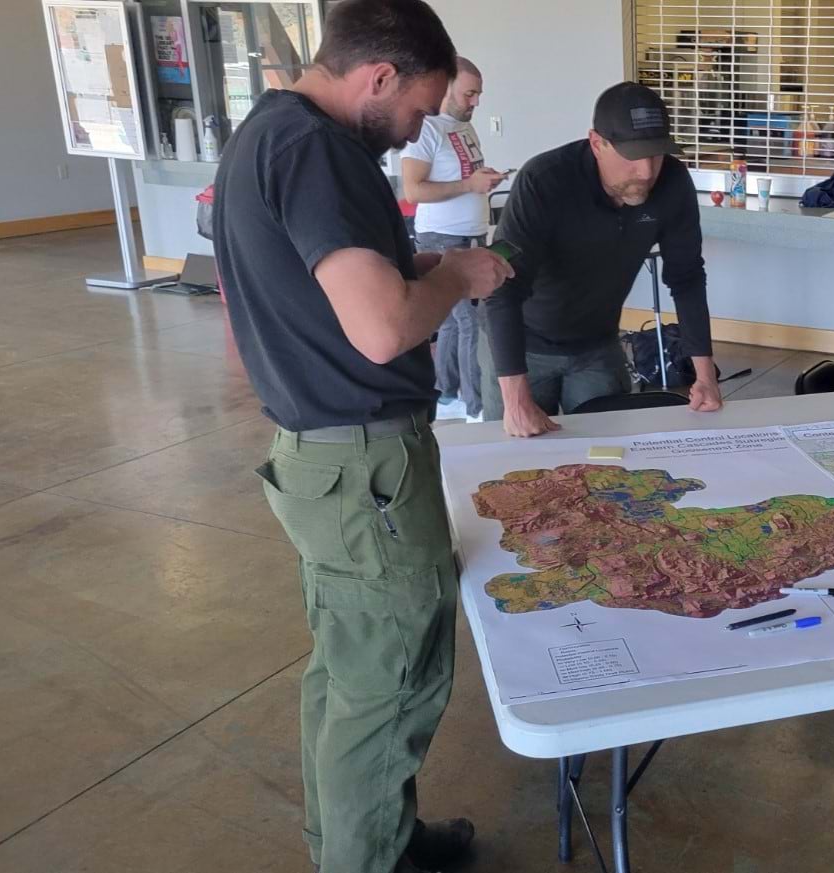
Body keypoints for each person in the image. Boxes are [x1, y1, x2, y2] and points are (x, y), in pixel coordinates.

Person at [211, 1, 512, 870]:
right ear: (378, 77)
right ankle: (362, 856)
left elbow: (327, 290)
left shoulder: (271, 132)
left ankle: (371, 837)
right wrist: (456, 276)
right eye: (419, 107)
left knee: (351, 671)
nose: (420, 127)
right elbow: (382, 330)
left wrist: (422, 268)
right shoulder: (318, 151)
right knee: (391, 682)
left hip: (324, 461)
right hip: (364, 463)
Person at [478, 82, 723, 436]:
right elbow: (503, 287)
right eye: (632, 155)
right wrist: (515, 401)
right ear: (597, 143)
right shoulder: (544, 181)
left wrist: (705, 376)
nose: (646, 171)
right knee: (516, 455)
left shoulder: (672, 182)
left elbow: (686, 278)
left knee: (611, 453)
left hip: (597, 344)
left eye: (655, 154)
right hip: (523, 345)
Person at [401, 56, 508, 422]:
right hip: (440, 236)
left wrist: (482, 179)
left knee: (450, 321)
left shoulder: (463, 126)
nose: (475, 101)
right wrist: (469, 185)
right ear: (446, 88)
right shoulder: (427, 130)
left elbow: (464, 177)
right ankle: (475, 406)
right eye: (469, 94)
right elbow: (413, 191)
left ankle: (446, 393)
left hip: (469, 233)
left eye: (478, 94)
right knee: (469, 322)